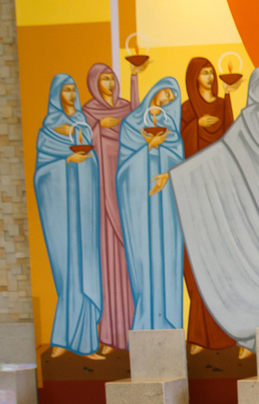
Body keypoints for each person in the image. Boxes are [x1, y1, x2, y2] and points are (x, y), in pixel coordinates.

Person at [171, 67, 259, 351]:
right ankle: (256, 335)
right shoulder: (248, 119)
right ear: (256, 87)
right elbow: (224, 151)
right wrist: (182, 174)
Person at [33, 74, 103, 359]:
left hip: (83, 210)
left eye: (74, 90)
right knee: (67, 272)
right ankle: (62, 339)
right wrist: (65, 161)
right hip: (61, 212)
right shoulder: (48, 130)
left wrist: (85, 161)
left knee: (85, 270)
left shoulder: (82, 125)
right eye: (66, 90)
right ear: (56, 95)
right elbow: (41, 175)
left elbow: (93, 162)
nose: (72, 95)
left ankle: (87, 344)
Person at [179, 57, 237, 354]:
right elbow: (178, 150)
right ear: (194, 78)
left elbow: (231, 142)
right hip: (194, 192)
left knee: (221, 260)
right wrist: (195, 126)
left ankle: (226, 334)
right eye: (203, 73)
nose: (209, 77)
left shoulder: (223, 104)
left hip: (219, 191)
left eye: (210, 72)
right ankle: (200, 337)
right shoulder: (187, 110)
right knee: (197, 262)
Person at [117, 79, 184, 331]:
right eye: (166, 93)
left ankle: (169, 320)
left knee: (167, 258)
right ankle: (146, 319)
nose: (167, 99)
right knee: (144, 260)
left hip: (167, 209)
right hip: (140, 205)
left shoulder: (171, 129)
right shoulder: (131, 125)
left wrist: (167, 173)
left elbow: (179, 163)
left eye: (172, 98)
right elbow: (123, 170)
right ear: (154, 91)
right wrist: (148, 148)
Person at [82, 62, 140, 351]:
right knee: (108, 263)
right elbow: (80, 143)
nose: (109, 84)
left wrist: (134, 78)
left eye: (111, 79)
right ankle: (109, 334)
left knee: (130, 265)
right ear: (95, 83)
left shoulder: (125, 107)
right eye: (104, 79)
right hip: (102, 195)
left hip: (124, 190)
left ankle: (134, 332)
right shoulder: (89, 112)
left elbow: (138, 125)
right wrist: (96, 128)